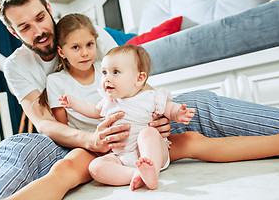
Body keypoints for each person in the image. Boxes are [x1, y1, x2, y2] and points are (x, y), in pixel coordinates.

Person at [0, 0, 279, 200]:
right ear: (14, 33)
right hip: (70, 139)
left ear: (49, 9)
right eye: (25, 26)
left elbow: (136, 82)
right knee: (17, 146)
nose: (39, 30)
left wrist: (160, 115)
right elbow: (44, 122)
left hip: (131, 127)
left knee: (196, 102)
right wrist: (88, 140)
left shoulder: (90, 33)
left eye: (40, 18)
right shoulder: (19, 66)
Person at [59, 44, 195, 191]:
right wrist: (74, 104)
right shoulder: (109, 101)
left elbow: (169, 108)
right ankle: (136, 174)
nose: (107, 79)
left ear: (139, 78)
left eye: (115, 72)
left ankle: (152, 171)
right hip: (122, 157)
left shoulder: (149, 97)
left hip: (152, 152)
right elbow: (92, 109)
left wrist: (178, 113)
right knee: (95, 167)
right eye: (104, 73)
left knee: (148, 133)